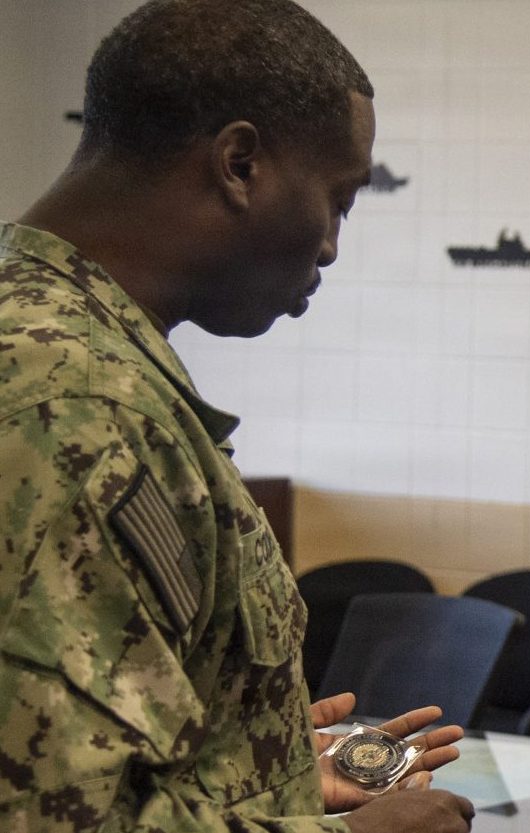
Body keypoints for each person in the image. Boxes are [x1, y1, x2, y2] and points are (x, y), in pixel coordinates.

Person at [0, 2, 475, 831]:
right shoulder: (73, 402)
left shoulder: (56, 339)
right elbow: (53, 816)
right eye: (338, 200)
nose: (330, 245)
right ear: (241, 164)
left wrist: (266, 776)